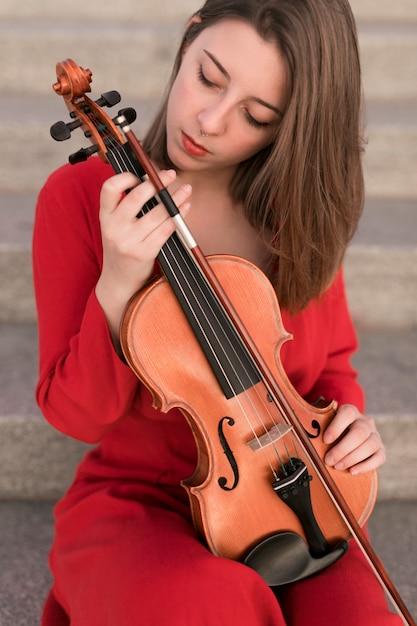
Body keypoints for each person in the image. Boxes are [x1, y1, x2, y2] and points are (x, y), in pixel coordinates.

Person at [33, 1, 401, 624]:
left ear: (292, 128)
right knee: (211, 608)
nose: (208, 119)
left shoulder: (296, 218)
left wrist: (351, 424)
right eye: (207, 77)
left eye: (256, 116)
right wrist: (120, 281)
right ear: (189, 38)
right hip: (142, 504)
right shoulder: (78, 199)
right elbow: (78, 416)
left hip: (289, 499)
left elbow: (329, 369)